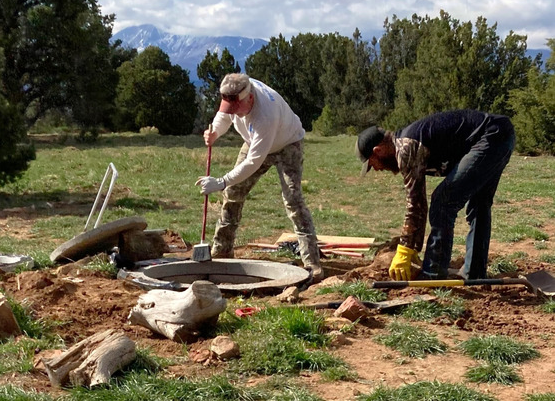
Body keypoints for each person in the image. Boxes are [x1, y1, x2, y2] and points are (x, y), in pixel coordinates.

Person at [355, 109, 515, 281]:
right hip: (500, 134)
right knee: (479, 204)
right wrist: (411, 248)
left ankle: (433, 275)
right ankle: (474, 274)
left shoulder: (406, 148)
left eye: (373, 164)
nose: (378, 169)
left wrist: (405, 249)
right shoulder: (408, 144)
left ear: (378, 150)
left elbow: (415, 204)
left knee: (442, 202)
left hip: (491, 136)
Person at [195, 73, 323, 280]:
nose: (235, 114)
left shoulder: (266, 114)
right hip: (255, 141)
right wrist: (215, 132)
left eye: (238, 109)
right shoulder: (234, 91)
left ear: (250, 98)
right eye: (231, 109)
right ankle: (223, 250)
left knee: (293, 200)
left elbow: (253, 161)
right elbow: (223, 116)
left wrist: (221, 181)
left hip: (287, 143)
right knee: (234, 192)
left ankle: (312, 264)